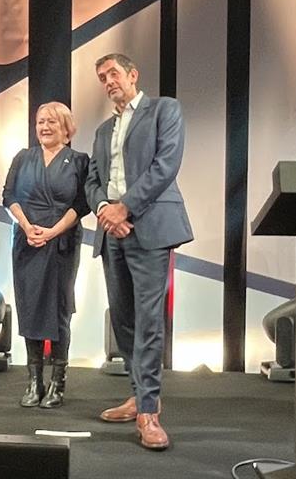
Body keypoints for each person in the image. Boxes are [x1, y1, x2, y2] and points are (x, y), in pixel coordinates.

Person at [85, 53, 193, 450]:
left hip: (148, 226)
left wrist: (124, 207)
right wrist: (104, 210)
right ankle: (139, 393)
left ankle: (149, 412)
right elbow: (93, 180)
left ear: (133, 74)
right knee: (125, 320)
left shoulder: (164, 110)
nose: (108, 80)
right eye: (101, 77)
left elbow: (166, 166)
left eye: (113, 73)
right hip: (112, 231)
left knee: (149, 321)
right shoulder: (101, 131)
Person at [2, 102, 90, 409]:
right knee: (30, 307)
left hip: (62, 241)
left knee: (59, 308)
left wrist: (53, 232)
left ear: (67, 128)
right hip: (27, 240)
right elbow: (8, 196)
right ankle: (33, 382)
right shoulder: (23, 157)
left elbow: (82, 204)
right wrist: (27, 227)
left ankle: (57, 383)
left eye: (52, 121)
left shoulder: (80, 161)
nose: (45, 127)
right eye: (41, 121)